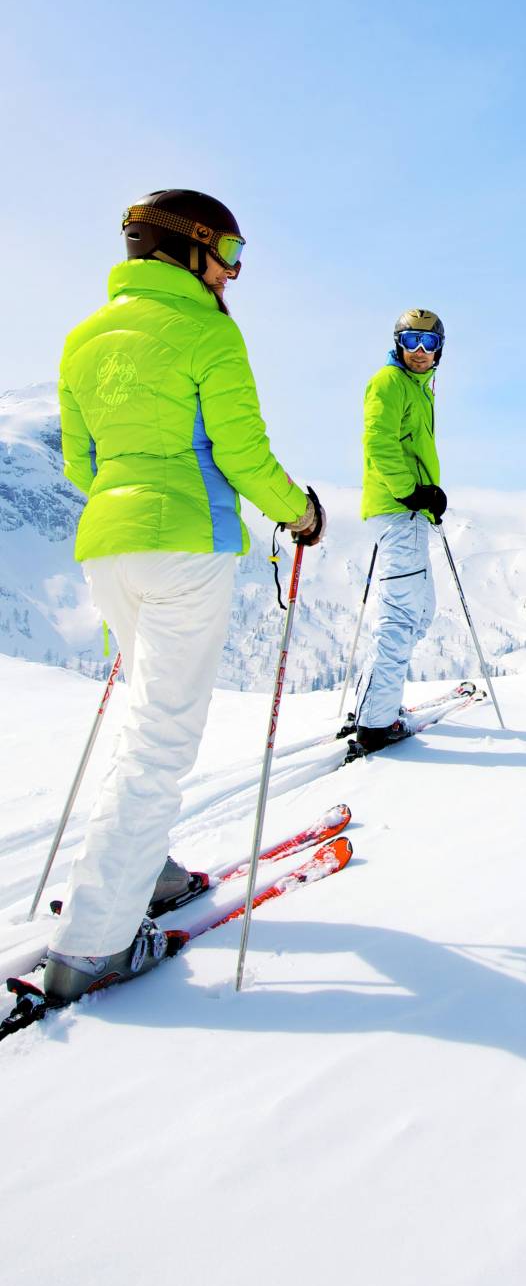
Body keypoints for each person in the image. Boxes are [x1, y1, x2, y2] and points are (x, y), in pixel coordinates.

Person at [42, 190, 324, 1004]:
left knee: (142, 718)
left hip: (109, 548)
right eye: (229, 254)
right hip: (185, 549)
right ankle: (95, 942)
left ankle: (144, 869)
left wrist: (128, 507)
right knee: (162, 738)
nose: (235, 273)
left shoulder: (83, 340)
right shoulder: (208, 331)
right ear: (187, 248)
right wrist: (298, 512)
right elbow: (243, 453)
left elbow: (78, 460)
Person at [350, 308, 448, 751]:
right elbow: (379, 441)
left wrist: (426, 495)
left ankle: (375, 699)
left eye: (428, 344)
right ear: (398, 344)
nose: (420, 352)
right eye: (411, 342)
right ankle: (375, 721)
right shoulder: (389, 383)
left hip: (408, 514)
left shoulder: (418, 390)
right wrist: (412, 492)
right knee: (403, 616)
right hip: (399, 511)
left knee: (419, 612)